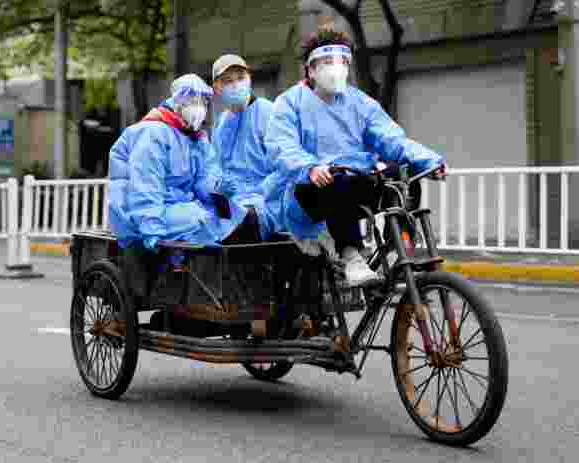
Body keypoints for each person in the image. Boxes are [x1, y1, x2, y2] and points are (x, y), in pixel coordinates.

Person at [262, 29, 446, 286]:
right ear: (311, 70)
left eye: (341, 63)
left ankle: (402, 244)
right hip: (308, 189)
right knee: (336, 183)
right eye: (327, 63)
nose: (335, 70)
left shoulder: (360, 103)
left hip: (355, 181)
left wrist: (429, 161)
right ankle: (351, 254)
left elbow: (391, 139)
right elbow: (282, 146)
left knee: (403, 175)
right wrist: (310, 167)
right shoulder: (289, 103)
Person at [107, 74, 262, 250]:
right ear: (178, 101)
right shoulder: (152, 133)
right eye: (193, 101)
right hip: (139, 217)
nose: (200, 108)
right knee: (203, 219)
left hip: (176, 208)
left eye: (204, 102)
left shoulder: (195, 138)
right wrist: (151, 230)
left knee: (239, 215)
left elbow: (204, 179)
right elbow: (145, 187)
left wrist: (219, 188)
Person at [210, 53, 278, 240]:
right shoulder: (221, 124)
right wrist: (219, 187)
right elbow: (217, 168)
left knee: (239, 224)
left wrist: (260, 193)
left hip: (265, 204)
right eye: (227, 81)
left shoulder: (268, 112)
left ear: (250, 80)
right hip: (233, 203)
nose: (236, 85)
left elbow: (284, 168)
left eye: (241, 78)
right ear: (217, 88)